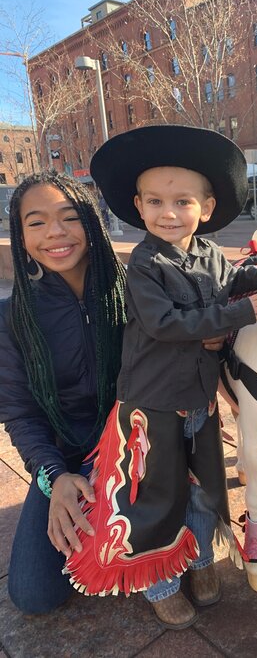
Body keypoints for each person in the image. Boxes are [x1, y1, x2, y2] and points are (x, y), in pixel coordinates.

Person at [65, 125, 257, 629]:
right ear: (139, 206)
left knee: (205, 487)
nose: (168, 213)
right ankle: (159, 582)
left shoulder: (209, 254)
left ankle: (201, 560)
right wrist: (237, 315)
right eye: (155, 201)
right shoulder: (145, 265)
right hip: (153, 405)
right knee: (156, 495)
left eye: (182, 201)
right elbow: (165, 324)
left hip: (198, 399)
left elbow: (231, 280)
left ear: (205, 208)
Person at [0, 171, 127, 614]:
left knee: (150, 558)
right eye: (36, 222)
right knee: (34, 594)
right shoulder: (12, 317)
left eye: (69, 217)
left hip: (131, 448)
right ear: (21, 236)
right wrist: (54, 478)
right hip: (64, 455)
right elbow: (19, 413)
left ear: (92, 223)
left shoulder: (132, 292)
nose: (55, 232)